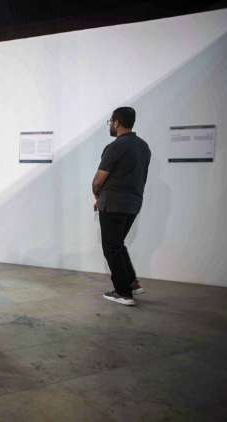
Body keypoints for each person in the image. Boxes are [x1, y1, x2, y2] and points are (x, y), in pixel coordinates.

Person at [92, 107, 151, 306]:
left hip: (113, 203)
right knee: (118, 244)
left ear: (116, 122)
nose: (110, 125)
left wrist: (97, 194)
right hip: (133, 203)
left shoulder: (116, 146)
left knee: (111, 248)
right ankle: (132, 283)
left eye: (110, 121)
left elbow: (99, 179)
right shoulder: (143, 146)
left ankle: (124, 293)